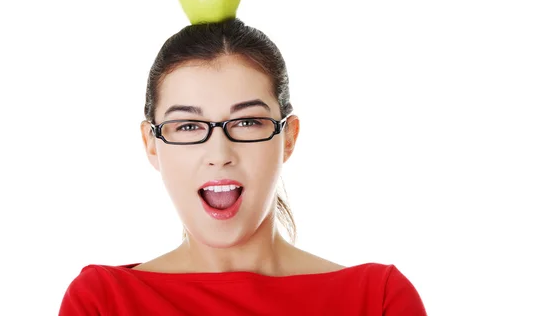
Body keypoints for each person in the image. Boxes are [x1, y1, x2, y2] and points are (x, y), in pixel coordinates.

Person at [58, 18, 427, 315]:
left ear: (289, 138)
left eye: (247, 122)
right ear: (151, 144)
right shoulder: (103, 303)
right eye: (188, 126)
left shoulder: (377, 300)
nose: (220, 152)